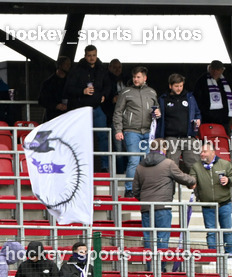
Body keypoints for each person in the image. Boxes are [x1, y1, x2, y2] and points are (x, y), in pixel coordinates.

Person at [132, 141, 197, 255]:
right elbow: (183, 178)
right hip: (163, 207)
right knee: (162, 237)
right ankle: (160, 269)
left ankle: (151, 268)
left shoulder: (140, 166)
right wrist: (193, 180)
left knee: (148, 238)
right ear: (164, 149)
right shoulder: (168, 163)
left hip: (146, 208)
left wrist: (144, 200)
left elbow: (135, 190)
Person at [114, 67, 161, 196]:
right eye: (134, 77)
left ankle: (144, 188)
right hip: (131, 131)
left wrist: (158, 112)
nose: (135, 79)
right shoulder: (126, 92)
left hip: (147, 132)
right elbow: (117, 112)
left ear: (145, 78)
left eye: (138, 77)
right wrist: (118, 130)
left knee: (146, 160)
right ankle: (129, 189)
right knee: (134, 160)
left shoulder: (152, 92)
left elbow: (157, 110)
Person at [64, 45, 109, 170]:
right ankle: (78, 166)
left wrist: (104, 95)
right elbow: (68, 89)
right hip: (81, 110)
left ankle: (105, 166)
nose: (92, 58)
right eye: (89, 55)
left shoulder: (102, 68)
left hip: (97, 108)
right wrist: (82, 91)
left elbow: (108, 85)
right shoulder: (76, 69)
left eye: (94, 55)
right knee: (80, 138)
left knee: (103, 136)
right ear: (85, 56)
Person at [189, 141, 232, 253]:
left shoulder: (225, 164)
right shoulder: (196, 166)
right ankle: (213, 256)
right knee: (211, 232)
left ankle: (229, 254)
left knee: (227, 231)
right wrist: (191, 184)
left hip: (224, 203)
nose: (202, 154)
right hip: (207, 205)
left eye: (204, 152)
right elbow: (191, 180)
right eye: (201, 152)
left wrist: (228, 180)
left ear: (213, 152)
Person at [158, 74, 203, 172]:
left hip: (189, 137)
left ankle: (197, 187)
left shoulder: (189, 98)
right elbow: (158, 119)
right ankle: (170, 188)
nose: (179, 89)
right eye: (176, 86)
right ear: (170, 86)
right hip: (171, 138)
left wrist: (198, 119)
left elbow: (197, 113)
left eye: (181, 86)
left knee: (195, 167)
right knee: (171, 168)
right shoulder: (163, 99)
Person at [194, 60, 232, 135]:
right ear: (209, 69)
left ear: (222, 70)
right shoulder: (202, 80)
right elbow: (197, 98)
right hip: (207, 120)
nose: (215, 72)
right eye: (213, 69)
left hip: (224, 121)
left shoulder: (226, 82)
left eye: (217, 70)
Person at [38, 56, 71, 122]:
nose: (68, 66)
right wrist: (56, 106)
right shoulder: (48, 83)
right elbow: (41, 100)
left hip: (68, 116)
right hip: (52, 117)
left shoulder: (71, 81)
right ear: (60, 65)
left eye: (69, 64)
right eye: (66, 64)